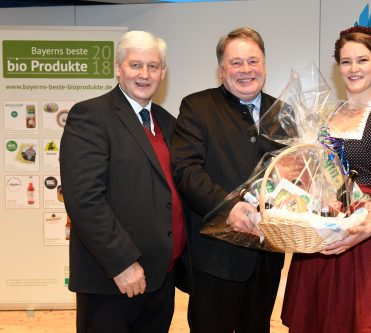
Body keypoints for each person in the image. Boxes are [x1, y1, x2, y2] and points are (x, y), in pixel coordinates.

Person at [281, 26, 371, 332]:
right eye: (346, 61)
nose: (353, 69)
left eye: (362, 60)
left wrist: (359, 231)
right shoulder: (325, 115)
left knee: (362, 319)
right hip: (319, 238)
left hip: (362, 241)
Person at [60, 30, 187, 332]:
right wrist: (122, 263)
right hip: (114, 279)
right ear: (118, 68)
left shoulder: (167, 122)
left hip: (160, 279)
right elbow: (84, 199)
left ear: (163, 72)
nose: (145, 74)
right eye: (135, 65)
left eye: (153, 66)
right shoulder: (91, 116)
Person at [171, 27, 284, 333]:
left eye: (253, 61)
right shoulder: (197, 107)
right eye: (235, 63)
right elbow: (186, 170)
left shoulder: (283, 113)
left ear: (264, 65)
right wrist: (228, 208)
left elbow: (293, 175)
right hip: (215, 258)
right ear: (221, 70)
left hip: (266, 257)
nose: (245, 70)